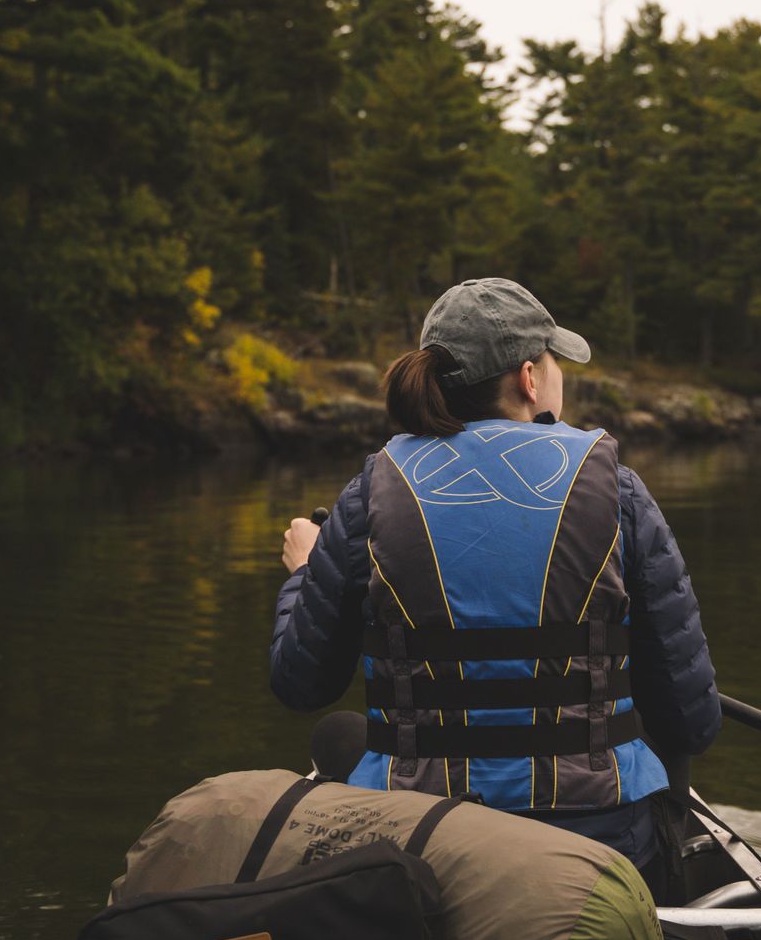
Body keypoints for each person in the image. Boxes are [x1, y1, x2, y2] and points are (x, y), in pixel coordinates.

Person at [269, 278, 720, 895]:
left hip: (419, 842)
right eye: (555, 360)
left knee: (336, 736)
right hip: (599, 846)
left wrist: (302, 575)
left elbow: (302, 682)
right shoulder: (618, 490)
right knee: (660, 744)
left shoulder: (369, 493)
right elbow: (692, 722)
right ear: (530, 378)